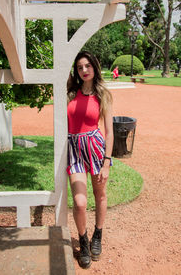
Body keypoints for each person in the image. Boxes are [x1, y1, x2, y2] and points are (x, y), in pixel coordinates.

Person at [67, 51, 114, 269]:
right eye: (79, 67)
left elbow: (109, 132)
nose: (84, 70)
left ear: (94, 67)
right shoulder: (70, 93)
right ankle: (83, 241)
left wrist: (106, 162)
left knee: (100, 194)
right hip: (75, 151)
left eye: (87, 66)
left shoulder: (102, 94)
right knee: (80, 202)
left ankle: (98, 234)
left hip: (96, 150)